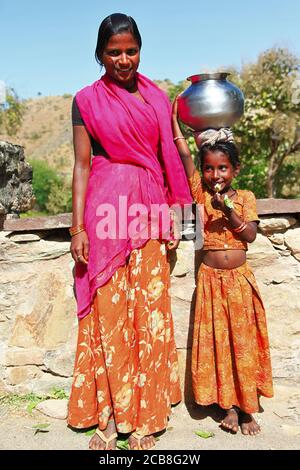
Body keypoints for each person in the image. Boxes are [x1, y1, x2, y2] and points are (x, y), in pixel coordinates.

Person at [67, 13, 192, 450]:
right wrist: (77, 226)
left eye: (130, 50)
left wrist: (179, 211)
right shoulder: (86, 100)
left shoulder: (159, 99)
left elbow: (169, 157)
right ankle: (108, 414)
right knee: (111, 314)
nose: (123, 59)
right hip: (105, 213)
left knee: (150, 314)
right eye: (114, 52)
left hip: (149, 212)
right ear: (100, 54)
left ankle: (147, 416)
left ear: (140, 50)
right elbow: (82, 165)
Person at [172, 99, 273, 435]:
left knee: (242, 344)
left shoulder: (245, 197)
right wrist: (176, 122)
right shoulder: (200, 194)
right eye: (210, 169)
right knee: (218, 343)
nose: (216, 175)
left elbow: (250, 234)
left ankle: (247, 409)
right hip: (211, 281)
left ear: (235, 170)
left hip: (240, 282)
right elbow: (186, 158)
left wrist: (228, 210)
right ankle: (226, 406)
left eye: (223, 169)